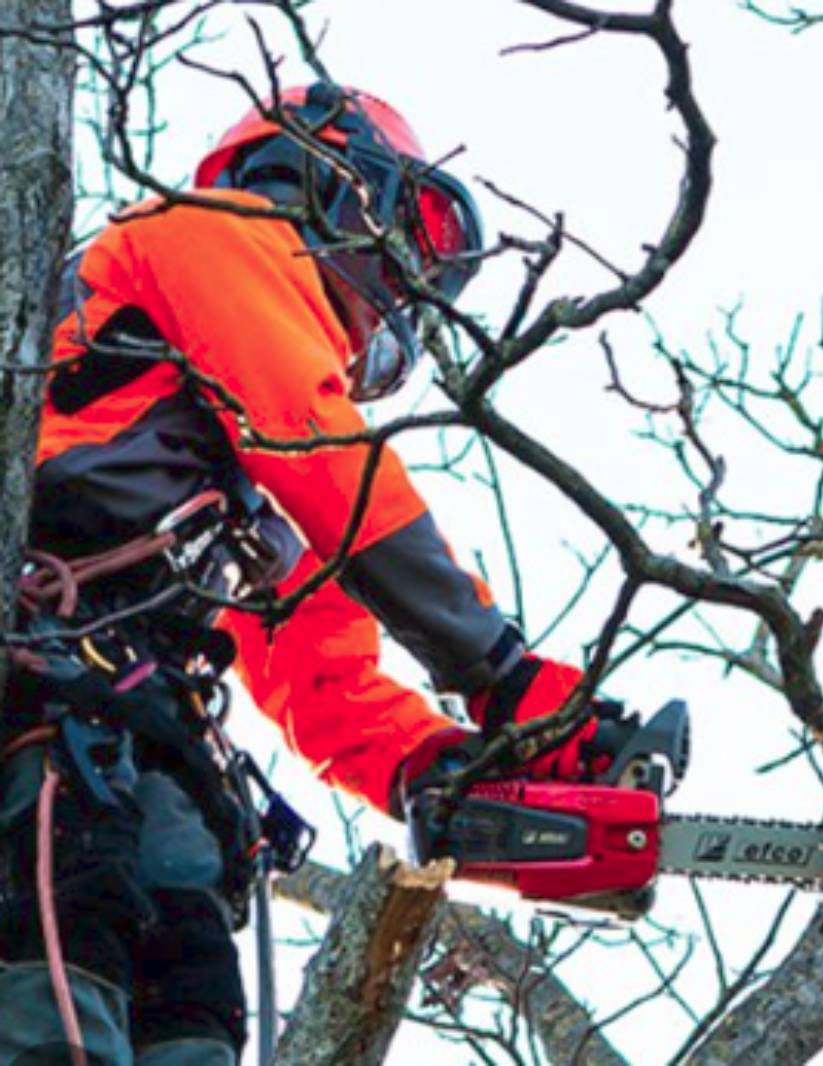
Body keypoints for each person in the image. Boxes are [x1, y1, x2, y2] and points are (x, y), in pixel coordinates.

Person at [0, 82, 629, 1066]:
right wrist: (505, 677)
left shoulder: (250, 484)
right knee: (58, 964)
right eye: (414, 230)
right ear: (329, 169)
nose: (410, 274)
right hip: (39, 654)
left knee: (191, 980)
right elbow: (328, 459)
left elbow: (321, 666)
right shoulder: (215, 234)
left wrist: (435, 763)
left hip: (132, 706)